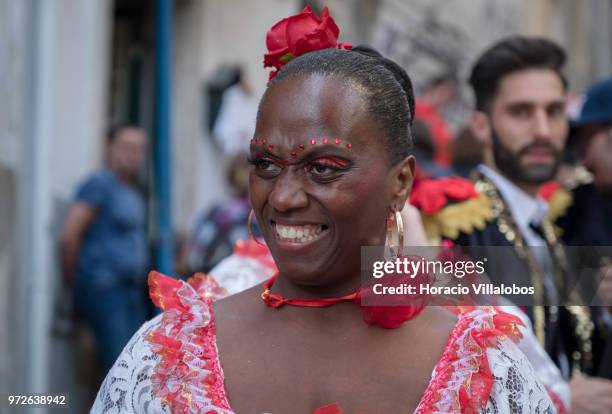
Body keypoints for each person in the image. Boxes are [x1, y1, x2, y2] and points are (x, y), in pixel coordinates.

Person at [93, 7, 554, 413]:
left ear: (401, 184)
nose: (285, 197)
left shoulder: (485, 369)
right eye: (266, 164)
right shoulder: (165, 359)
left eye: (324, 167)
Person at [411, 36, 609, 412]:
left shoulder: (556, 226)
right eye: (521, 112)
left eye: (553, 112)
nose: (542, 130)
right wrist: (563, 399)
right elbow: (436, 364)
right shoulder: (451, 220)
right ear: (482, 126)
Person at [60, 123, 149, 375]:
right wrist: (76, 286)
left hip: (130, 291)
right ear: (109, 148)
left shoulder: (131, 191)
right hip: (105, 290)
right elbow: (69, 236)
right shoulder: (99, 184)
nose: (134, 155)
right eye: (127, 147)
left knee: (134, 365)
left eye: (140, 149)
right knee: (121, 370)